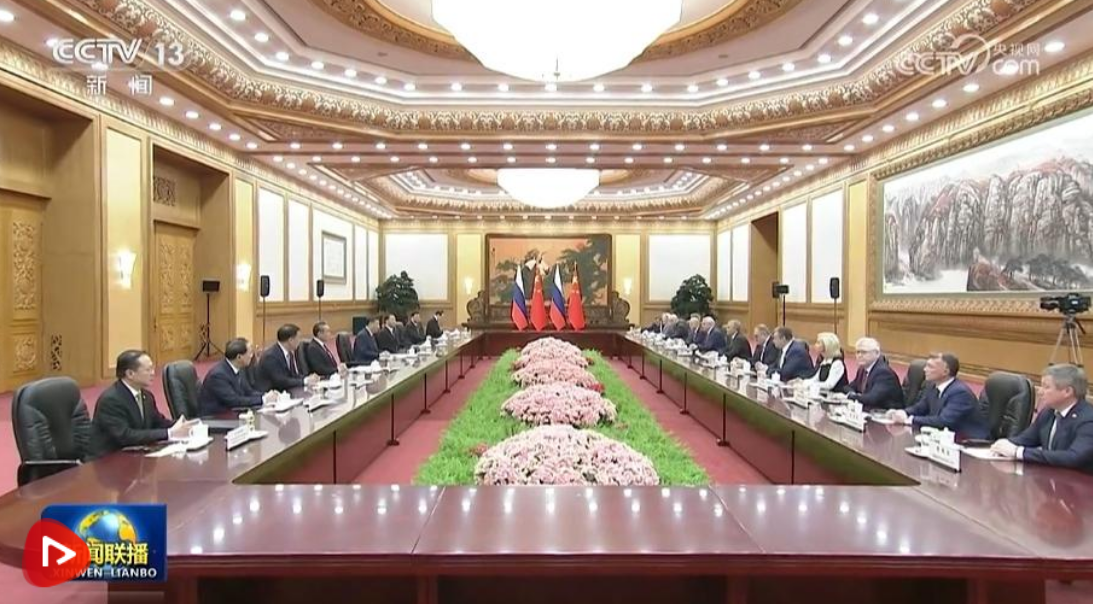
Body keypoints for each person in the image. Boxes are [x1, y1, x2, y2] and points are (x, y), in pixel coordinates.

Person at [89, 350, 196, 458]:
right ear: (130, 374)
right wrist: (169, 433)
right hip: (109, 459)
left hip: (136, 454)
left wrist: (183, 425)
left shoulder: (147, 396)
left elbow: (158, 422)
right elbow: (125, 435)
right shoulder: (111, 400)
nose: (153, 373)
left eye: (152, 368)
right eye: (148, 370)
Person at [991, 364, 1093, 474]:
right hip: (1053, 477)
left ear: (1067, 391)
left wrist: (1020, 452)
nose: (1040, 392)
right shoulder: (1049, 412)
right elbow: (1026, 439)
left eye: (1046, 387)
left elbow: (1073, 457)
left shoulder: (1088, 420)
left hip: (1080, 480)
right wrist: (1003, 444)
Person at [888, 352, 989, 439]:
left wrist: (909, 420)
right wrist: (902, 413)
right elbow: (920, 408)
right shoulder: (932, 386)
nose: (925, 370)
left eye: (930, 367)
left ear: (945, 371)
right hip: (946, 439)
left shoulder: (960, 393)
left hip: (970, 442)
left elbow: (943, 421)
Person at [198, 338, 278, 416]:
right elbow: (234, 401)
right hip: (216, 417)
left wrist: (266, 395)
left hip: (233, 412)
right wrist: (263, 400)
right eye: (249, 353)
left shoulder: (239, 368)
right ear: (239, 357)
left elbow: (248, 392)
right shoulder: (218, 375)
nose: (251, 356)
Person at [257, 324, 319, 392]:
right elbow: (280, 381)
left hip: (286, 391)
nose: (300, 341)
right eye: (298, 338)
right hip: (272, 393)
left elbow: (292, 375)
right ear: (290, 340)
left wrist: (307, 378)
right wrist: (304, 381)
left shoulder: (289, 353)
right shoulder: (271, 356)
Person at [846, 337, 904, 409]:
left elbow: (872, 398)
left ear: (877, 353)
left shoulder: (884, 373)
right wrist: (852, 394)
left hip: (886, 412)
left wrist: (851, 396)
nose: (859, 355)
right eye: (858, 352)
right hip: (870, 409)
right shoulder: (862, 369)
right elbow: (849, 387)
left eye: (864, 352)